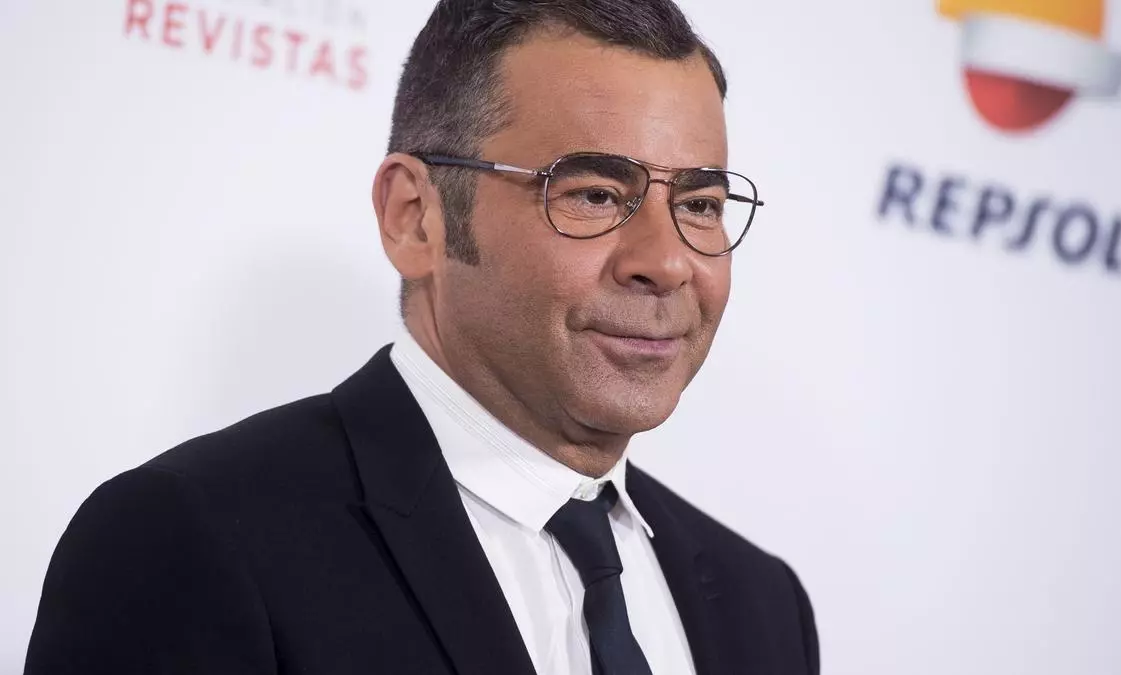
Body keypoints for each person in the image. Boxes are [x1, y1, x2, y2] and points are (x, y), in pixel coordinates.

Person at [24, 1, 820, 673]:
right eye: (594, 194)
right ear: (415, 217)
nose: (667, 262)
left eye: (700, 205)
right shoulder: (188, 541)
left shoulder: (765, 606)